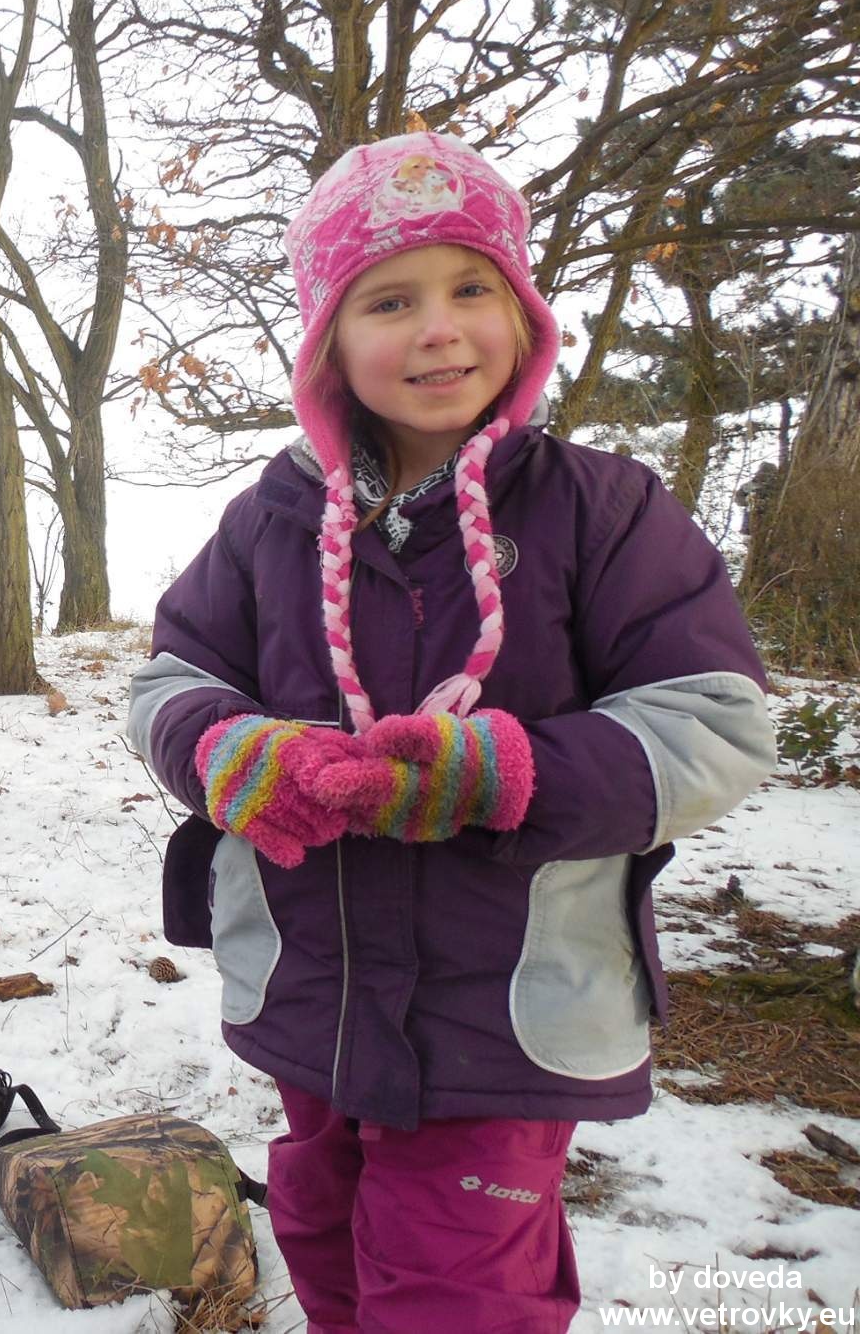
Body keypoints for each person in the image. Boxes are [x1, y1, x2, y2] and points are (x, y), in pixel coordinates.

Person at [126, 133, 775, 1333]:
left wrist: (500, 773)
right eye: (388, 301)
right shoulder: (269, 520)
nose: (438, 329)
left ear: (521, 314)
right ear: (326, 344)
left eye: (471, 287)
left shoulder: (602, 509)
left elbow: (712, 722)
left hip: (503, 1009)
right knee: (323, 1238)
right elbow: (173, 679)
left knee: (452, 1291)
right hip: (312, 992)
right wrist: (232, 753)